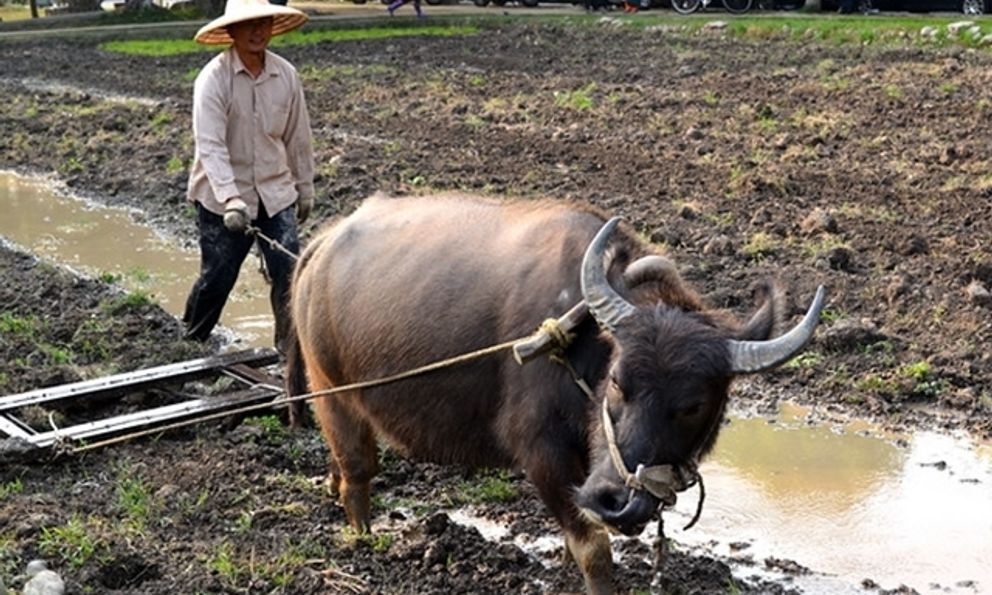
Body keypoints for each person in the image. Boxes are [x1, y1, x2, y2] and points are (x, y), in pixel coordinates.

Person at [183, 0, 315, 353]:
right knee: (218, 276)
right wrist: (231, 198)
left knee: (288, 274)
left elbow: (297, 136)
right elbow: (210, 146)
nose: (257, 32)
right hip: (222, 197)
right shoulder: (214, 79)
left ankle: (288, 355)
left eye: (264, 23)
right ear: (231, 31)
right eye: (248, 25)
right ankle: (191, 341)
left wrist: (304, 188)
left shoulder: (286, 75)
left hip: (275, 191)